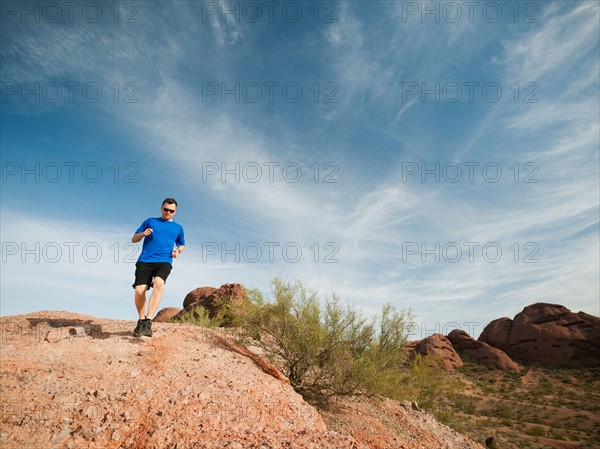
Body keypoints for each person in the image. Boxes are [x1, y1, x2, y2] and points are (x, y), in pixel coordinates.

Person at [131, 198, 185, 337]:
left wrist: (177, 251)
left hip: (164, 261)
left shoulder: (178, 228)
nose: (168, 212)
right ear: (161, 208)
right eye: (166, 209)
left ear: (175, 212)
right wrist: (143, 234)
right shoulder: (150, 221)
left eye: (171, 211)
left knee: (159, 283)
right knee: (139, 291)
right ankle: (141, 320)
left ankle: (148, 321)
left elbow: (182, 244)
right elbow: (134, 239)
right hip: (145, 260)